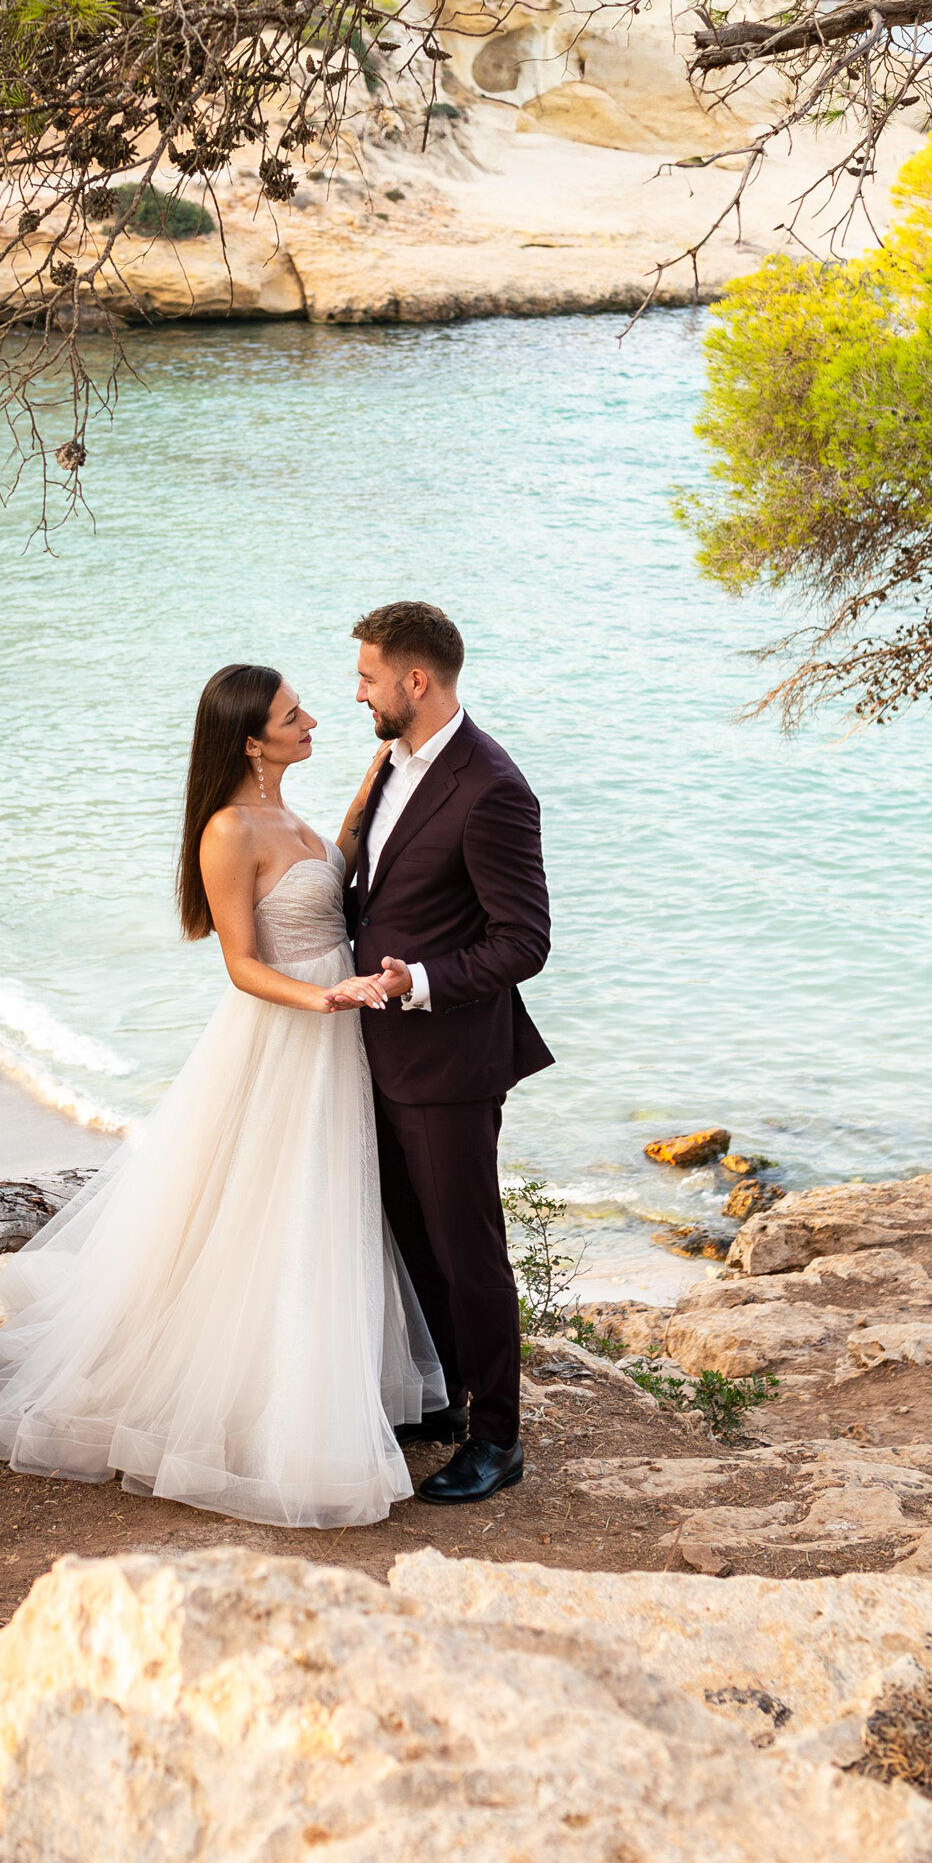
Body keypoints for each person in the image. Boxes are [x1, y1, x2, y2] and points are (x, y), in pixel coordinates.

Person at [0, 663, 447, 1527]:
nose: (313, 723)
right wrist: (326, 997)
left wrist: (382, 778)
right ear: (250, 740)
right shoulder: (228, 829)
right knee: (271, 1200)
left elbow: (327, 880)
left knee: (321, 1202)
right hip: (289, 1029)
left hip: (335, 1031)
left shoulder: (288, 814)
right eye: (294, 717)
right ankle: (254, 1403)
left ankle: (313, 1378)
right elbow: (241, 964)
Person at [343, 600, 554, 1507]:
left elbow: (524, 942)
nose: (357, 694)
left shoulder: (492, 787)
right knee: (409, 1238)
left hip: (447, 1062)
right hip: (373, 1054)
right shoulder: (391, 759)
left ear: (414, 681)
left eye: (367, 678)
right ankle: (444, 1400)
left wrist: (416, 982)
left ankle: (498, 1438)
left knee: (467, 1250)